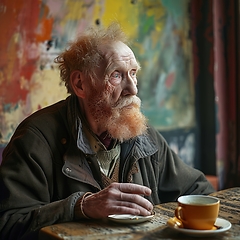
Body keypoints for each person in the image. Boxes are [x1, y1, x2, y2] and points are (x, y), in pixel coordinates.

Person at [0, 23, 214, 240]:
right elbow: (8, 225)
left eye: (133, 73)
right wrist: (80, 206)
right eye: (116, 75)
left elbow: (199, 192)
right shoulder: (35, 139)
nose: (133, 89)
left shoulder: (142, 134)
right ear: (80, 84)